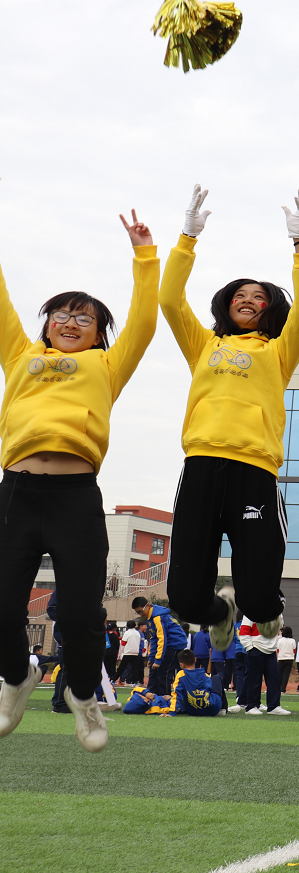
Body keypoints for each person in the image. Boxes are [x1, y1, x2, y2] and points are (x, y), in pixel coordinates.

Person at [0, 212, 159, 752]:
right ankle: (17, 676)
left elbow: (143, 322)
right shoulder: (21, 357)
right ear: (46, 324)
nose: (71, 323)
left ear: (98, 333)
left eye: (84, 319)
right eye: (63, 315)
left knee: (78, 613)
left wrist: (144, 257)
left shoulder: (106, 367)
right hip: (16, 494)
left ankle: (85, 697)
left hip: (74, 498)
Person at [159, 185, 299, 664]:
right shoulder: (204, 344)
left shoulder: (278, 350)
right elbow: (169, 299)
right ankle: (218, 613)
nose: (249, 299)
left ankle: (257, 609)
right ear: (228, 303)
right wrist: (187, 238)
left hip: (254, 471)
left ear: (269, 310)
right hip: (203, 466)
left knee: (259, 598)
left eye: (260, 297)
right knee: (185, 599)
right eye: (241, 295)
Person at [132, 596, 189, 697]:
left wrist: (158, 660)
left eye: (141, 611)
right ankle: (152, 697)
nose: (141, 614)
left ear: (148, 605)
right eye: (138, 613)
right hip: (167, 644)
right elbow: (154, 638)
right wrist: (152, 657)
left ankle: (165, 699)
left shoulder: (158, 617)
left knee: (163, 671)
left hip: (175, 644)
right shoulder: (150, 618)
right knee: (153, 670)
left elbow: (162, 639)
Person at [239, 614, 289, 715]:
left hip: (271, 650)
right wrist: (250, 648)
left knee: (274, 679)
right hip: (256, 648)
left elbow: (280, 626)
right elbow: (244, 631)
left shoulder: (276, 611)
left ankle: (274, 705)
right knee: (254, 680)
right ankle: (251, 706)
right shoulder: (251, 610)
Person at [169, 650, 223, 717]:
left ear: (181, 664)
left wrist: (172, 712)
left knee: (181, 698)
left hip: (192, 711)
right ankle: (224, 708)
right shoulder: (205, 675)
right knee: (216, 678)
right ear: (195, 659)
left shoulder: (180, 675)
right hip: (212, 710)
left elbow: (176, 693)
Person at [276, 626, 297, 691]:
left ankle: (278, 688)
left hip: (281, 658)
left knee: (280, 674)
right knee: (286, 675)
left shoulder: (280, 640)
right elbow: (294, 650)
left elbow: (277, 650)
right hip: (290, 659)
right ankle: (283, 689)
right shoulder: (293, 640)